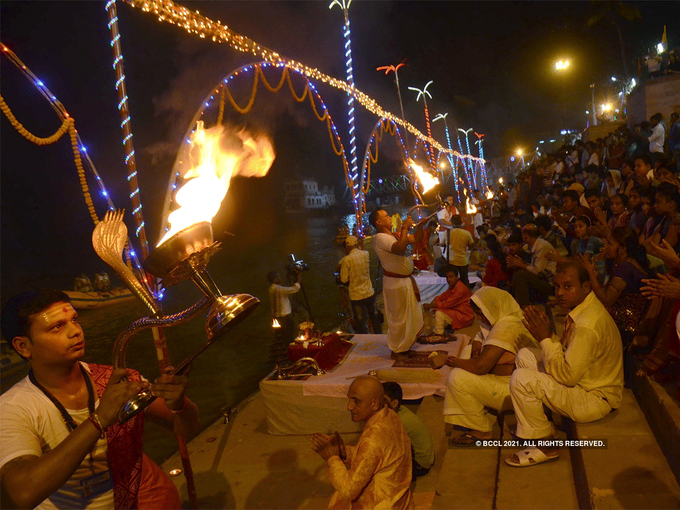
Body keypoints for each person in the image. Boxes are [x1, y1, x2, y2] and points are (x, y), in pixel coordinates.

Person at [0, 289, 200, 509]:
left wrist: (179, 403)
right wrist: (99, 419)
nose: (75, 331)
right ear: (23, 346)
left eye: (74, 320)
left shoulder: (113, 382)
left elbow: (186, 428)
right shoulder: (13, 407)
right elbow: (22, 492)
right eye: (57, 327)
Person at [505, 262, 623, 467]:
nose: (559, 292)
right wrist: (549, 337)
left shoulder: (588, 323)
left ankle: (546, 446)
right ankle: (544, 425)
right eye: (557, 286)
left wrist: (545, 339)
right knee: (525, 355)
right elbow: (570, 355)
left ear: (585, 287)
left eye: (567, 287)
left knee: (521, 379)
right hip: (582, 382)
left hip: (594, 398)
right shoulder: (583, 309)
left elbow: (568, 376)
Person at [431, 287, 538, 445]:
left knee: (457, 377)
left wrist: (447, 360)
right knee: (468, 352)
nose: (480, 318)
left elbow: (480, 367)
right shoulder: (507, 315)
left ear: (493, 306)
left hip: (521, 391)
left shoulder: (507, 326)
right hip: (516, 379)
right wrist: (476, 349)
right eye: (478, 314)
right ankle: (479, 406)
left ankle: (482, 430)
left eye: (482, 313)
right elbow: (480, 335)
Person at [310, 376, 413, 509]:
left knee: (340, 498)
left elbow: (349, 490)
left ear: (374, 404)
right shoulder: (390, 415)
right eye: (349, 399)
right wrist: (343, 452)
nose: (349, 407)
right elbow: (375, 458)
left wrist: (332, 458)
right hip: (399, 499)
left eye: (356, 401)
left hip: (382, 504)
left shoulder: (373, 439)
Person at [369, 208, 425, 359]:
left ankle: (404, 347)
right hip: (395, 283)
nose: (389, 217)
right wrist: (405, 227)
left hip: (404, 281)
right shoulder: (380, 238)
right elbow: (400, 248)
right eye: (386, 216)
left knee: (408, 317)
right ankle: (396, 350)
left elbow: (417, 239)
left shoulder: (394, 235)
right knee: (398, 318)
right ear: (379, 222)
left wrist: (420, 226)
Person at [382, 382, 434, 480]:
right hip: (421, 459)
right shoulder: (398, 410)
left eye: (383, 401)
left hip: (420, 465)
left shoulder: (398, 421)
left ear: (394, 403)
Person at [339, 235, 381, 335]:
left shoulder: (346, 260)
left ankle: (365, 343)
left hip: (356, 296)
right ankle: (380, 337)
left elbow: (344, 279)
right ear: (357, 244)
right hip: (369, 292)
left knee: (361, 322)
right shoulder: (366, 254)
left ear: (347, 246)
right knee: (374, 317)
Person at [507, 223, 556, 307]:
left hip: (549, 282)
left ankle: (524, 307)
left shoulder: (542, 246)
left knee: (521, 274)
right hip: (542, 278)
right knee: (518, 271)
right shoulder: (533, 246)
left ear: (526, 236)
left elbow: (538, 271)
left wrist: (521, 264)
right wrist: (521, 263)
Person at [422, 269, 474, 335]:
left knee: (439, 313)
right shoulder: (454, 286)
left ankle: (438, 335)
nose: (448, 279)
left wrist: (430, 306)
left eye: (451, 277)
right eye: (447, 277)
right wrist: (433, 302)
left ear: (457, 277)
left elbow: (447, 304)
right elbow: (442, 296)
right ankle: (438, 330)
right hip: (458, 312)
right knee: (436, 309)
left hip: (465, 316)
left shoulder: (460, 290)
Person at [268, 267, 302, 361]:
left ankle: (285, 356)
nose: (280, 278)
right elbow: (295, 289)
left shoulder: (271, 289)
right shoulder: (279, 289)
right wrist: (299, 278)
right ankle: (291, 357)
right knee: (288, 337)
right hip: (284, 318)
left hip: (276, 317)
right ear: (275, 279)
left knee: (281, 338)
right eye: (278, 277)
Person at [447, 214, 475, 288]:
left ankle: (453, 296)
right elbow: (471, 245)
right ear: (461, 222)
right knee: (464, 281)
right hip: (463, 261)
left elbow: (442, 244)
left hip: (451, 261)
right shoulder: (466, 233)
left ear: (452, 223)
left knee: (452, 282)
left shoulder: (447, 233)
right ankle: (465, 297)